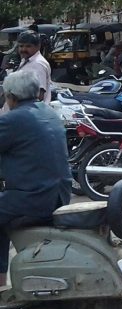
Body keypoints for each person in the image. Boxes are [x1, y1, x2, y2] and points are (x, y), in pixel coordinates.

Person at [0, 71, 73, 288]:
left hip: (34, 197)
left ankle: (0, 283)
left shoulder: (14, 119)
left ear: (10, 96)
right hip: (60, 194)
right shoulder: (48, 112)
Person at [14, 31, 50, 104]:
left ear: (38, 46)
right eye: (21, 46)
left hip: (28, 111)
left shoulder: (38, 64)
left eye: (28, 46)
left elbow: (39, 95)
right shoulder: (26, 60)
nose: (23, 49)